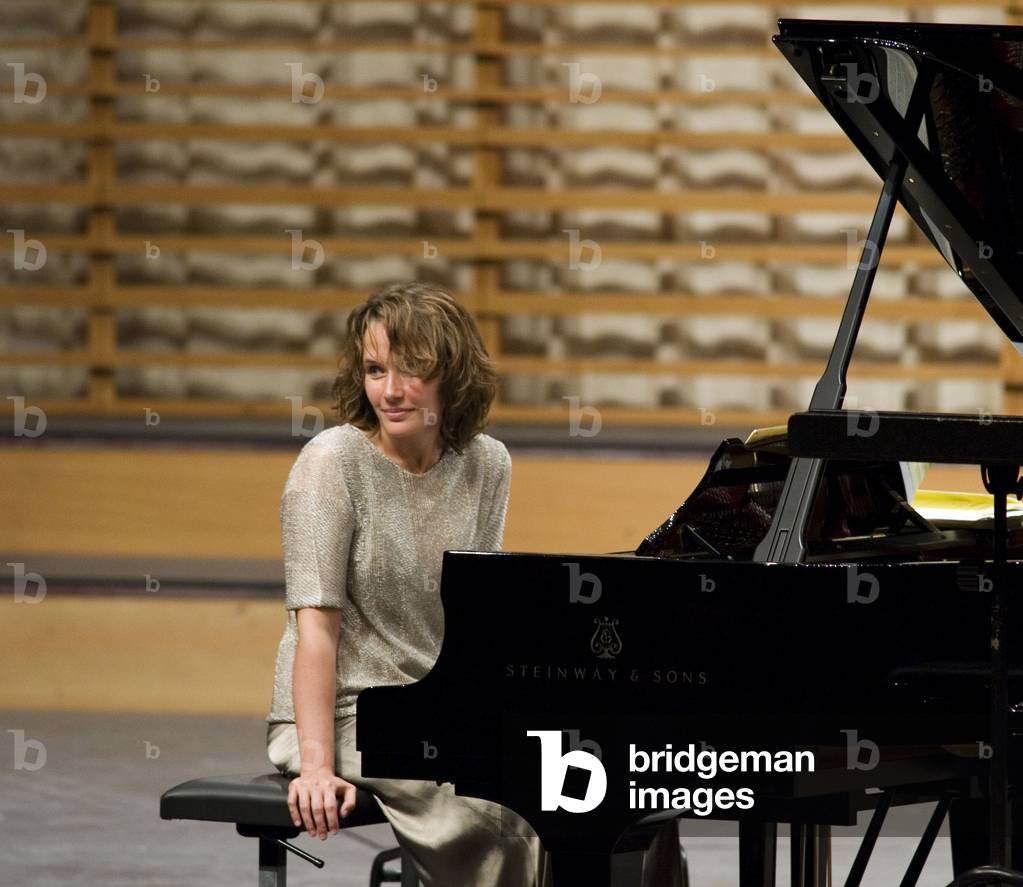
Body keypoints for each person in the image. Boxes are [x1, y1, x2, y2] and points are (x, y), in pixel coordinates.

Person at [264, 282, 685, 886]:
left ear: (452, 376)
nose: (390, 390)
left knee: (627, 793)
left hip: (443, 707)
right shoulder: (330, 463)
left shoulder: (486, 464)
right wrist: (315, 765)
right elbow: (317, 633)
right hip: (348, 715)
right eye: (376, 369)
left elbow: (480, 622)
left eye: (411, 369)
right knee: (505, 818)